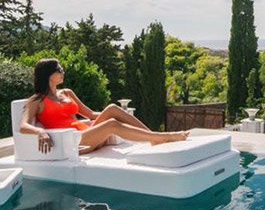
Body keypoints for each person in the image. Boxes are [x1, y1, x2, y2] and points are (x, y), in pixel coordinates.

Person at [19, 58, 188, 153]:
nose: (63, 71)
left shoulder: (67, 93)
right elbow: (23, 126)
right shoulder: (36, 100)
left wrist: (116, 115)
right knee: (111, 124)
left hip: (88, 133)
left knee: (112, 108)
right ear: (48, 74)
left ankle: (154, 137)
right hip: (76, 142)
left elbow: (91, 114)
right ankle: (162, 137)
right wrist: (40, 132)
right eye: (59, 69)